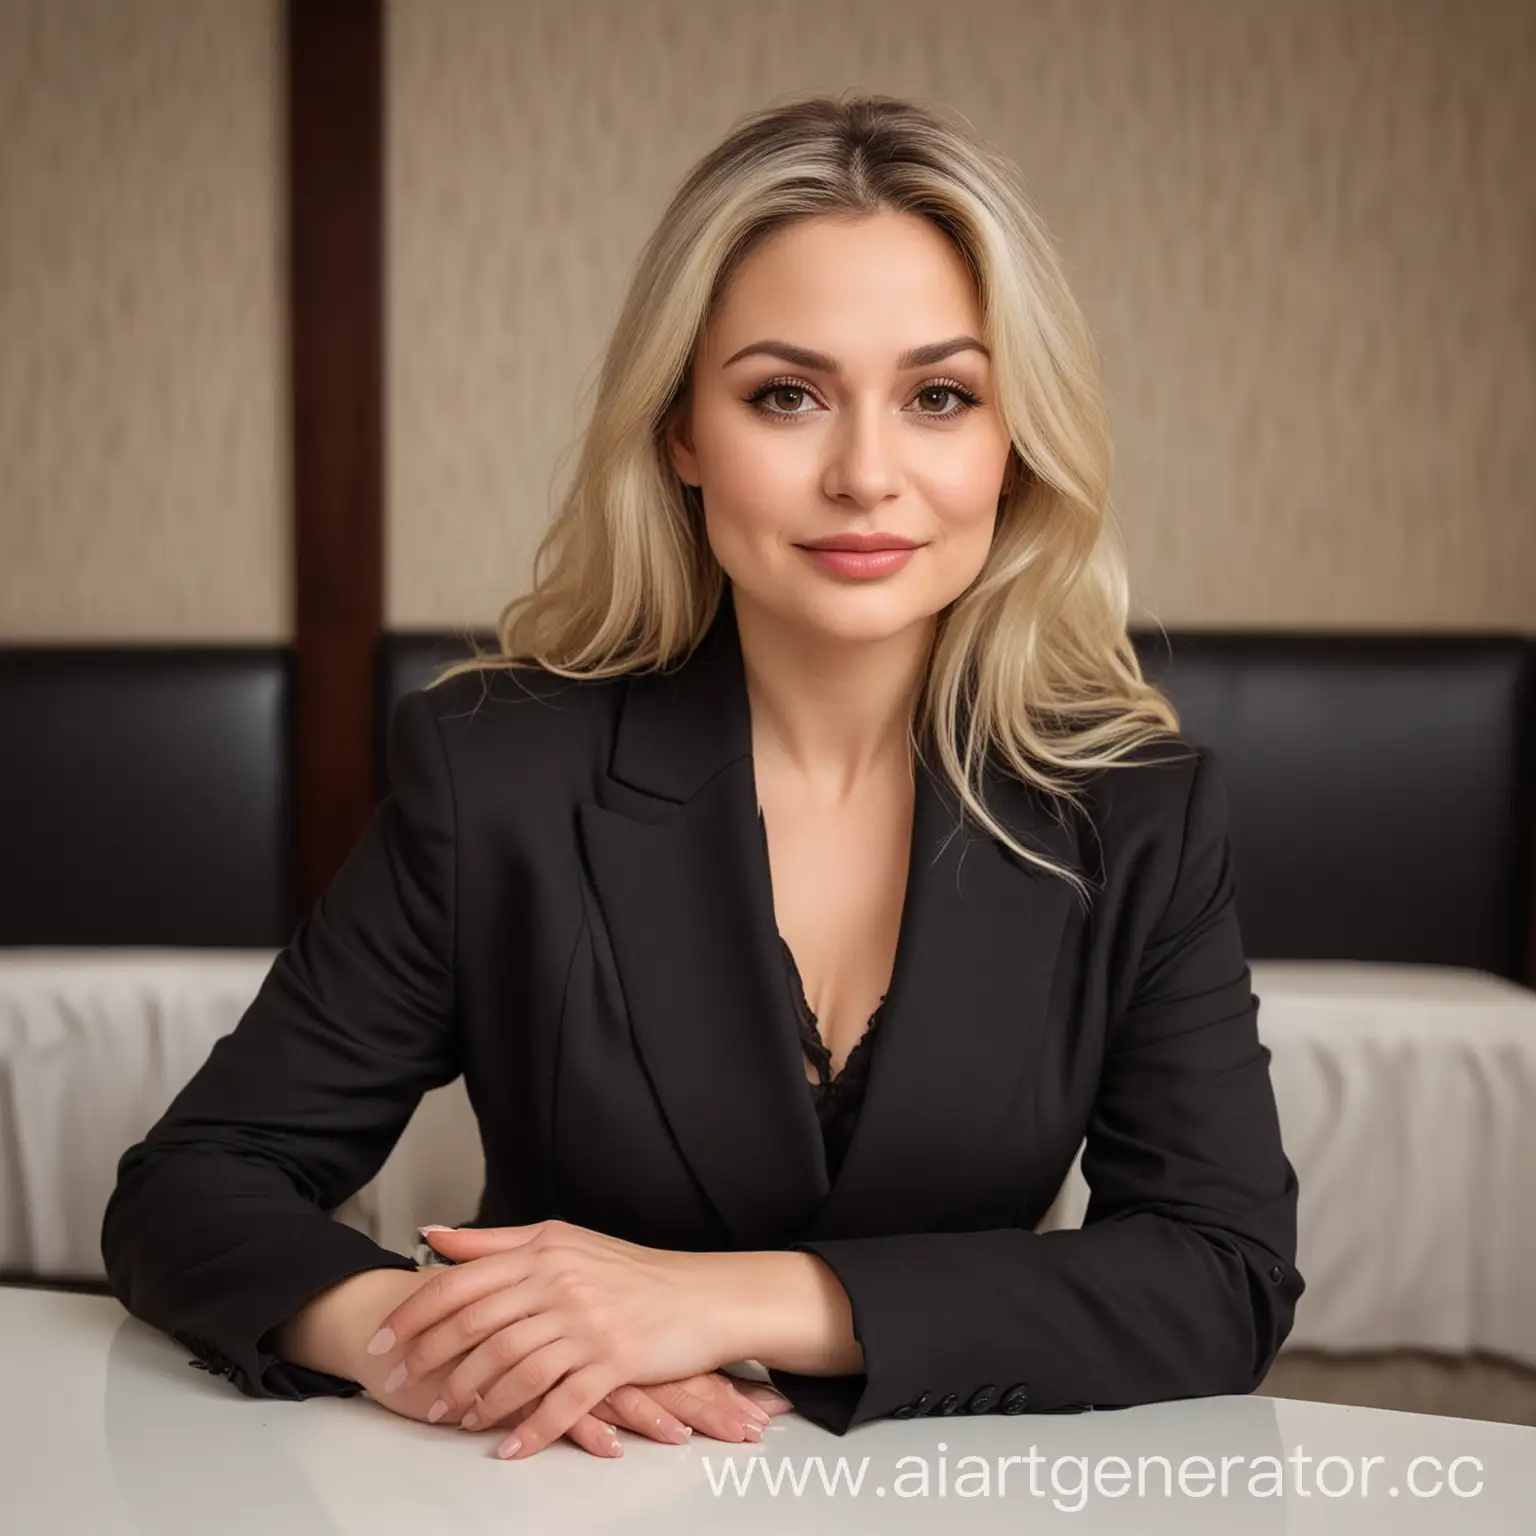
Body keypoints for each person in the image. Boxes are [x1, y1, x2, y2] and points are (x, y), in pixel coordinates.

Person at [101, 91, 1302, 1462]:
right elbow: (192, 1187)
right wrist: (452, 1342)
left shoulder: (1135, 810)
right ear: (681, 432)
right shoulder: (499, 774)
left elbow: (1222, 1274)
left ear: (1012, 444)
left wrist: (719, 1301)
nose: (865, 474)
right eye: (785, 395)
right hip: (570, 1494)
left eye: (940, 396)